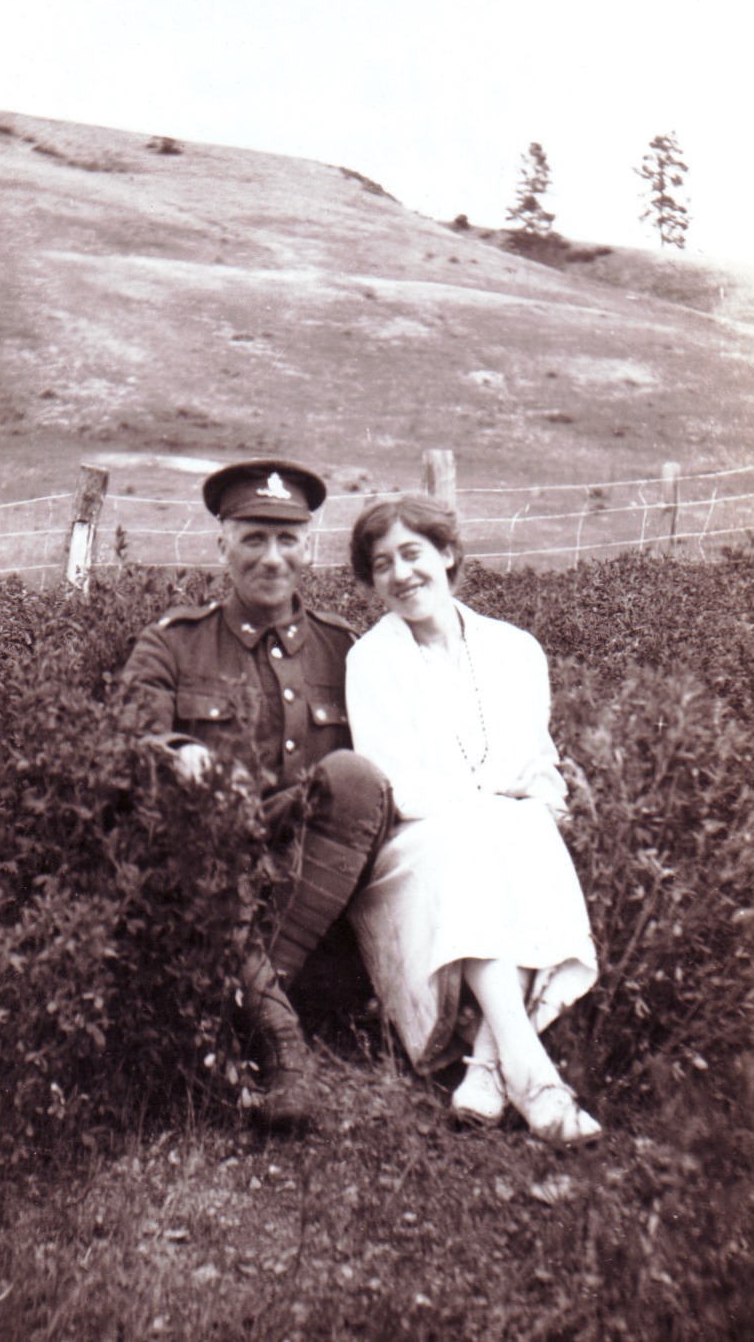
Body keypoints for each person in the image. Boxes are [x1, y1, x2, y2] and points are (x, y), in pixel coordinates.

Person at [121, 459, 392, 1131]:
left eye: (288, 540)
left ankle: (238, 1010)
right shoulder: (173, 643)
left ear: (310, 546)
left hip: (312, 886)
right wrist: (183, 758)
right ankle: (281, 1037)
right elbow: (125, 741)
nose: (273, 558)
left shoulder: (348, 651)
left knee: (356, 779)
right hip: (207, 871)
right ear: (222, 544)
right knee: (194, 807)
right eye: (253, 539)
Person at [345, 494, 601, 1146]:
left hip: (506, 829)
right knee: (483, 839)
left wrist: (527, 808)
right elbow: (397, 785)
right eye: (382, 565)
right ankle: (535, 1078)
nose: (401, 574)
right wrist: (493, 806)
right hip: (418, 847)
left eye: (412, 554)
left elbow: (538, 768)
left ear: (448, 554)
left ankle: (492, 1070)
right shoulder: (371, 661)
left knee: (526, 830)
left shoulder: (516, 650)